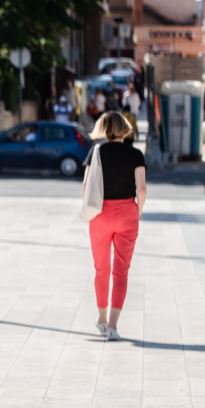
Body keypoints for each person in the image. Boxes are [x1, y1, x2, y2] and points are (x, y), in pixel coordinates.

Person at [83, 111, 146, 341]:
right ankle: (112, 326)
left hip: (100, 214)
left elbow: (85, 188)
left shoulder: (96, 152)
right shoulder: (136, 154)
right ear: (124, 128)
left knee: (101, 269)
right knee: (121, 271)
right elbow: (142, 189)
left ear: (103, 128)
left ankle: (100, 318)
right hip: (127, 212)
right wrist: (136, 213)